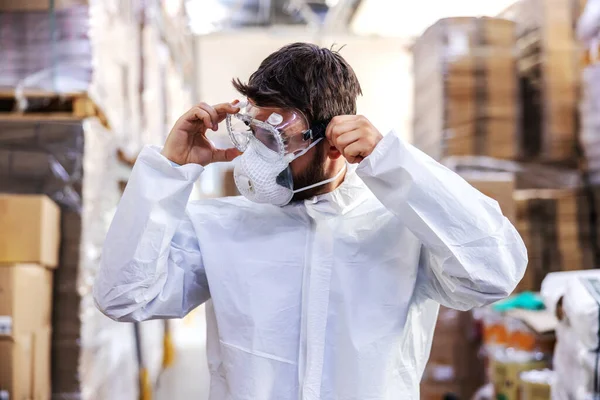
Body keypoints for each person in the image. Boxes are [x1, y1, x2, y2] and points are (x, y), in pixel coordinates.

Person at [94, 42, 527, 400]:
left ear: (334, 142)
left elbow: (494, 272)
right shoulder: (220, 226)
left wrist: (392, 163)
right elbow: (123, 297)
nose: (257, 156)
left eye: (274, 138)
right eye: (253, 132)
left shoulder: (400, 227)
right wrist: (170, 171)